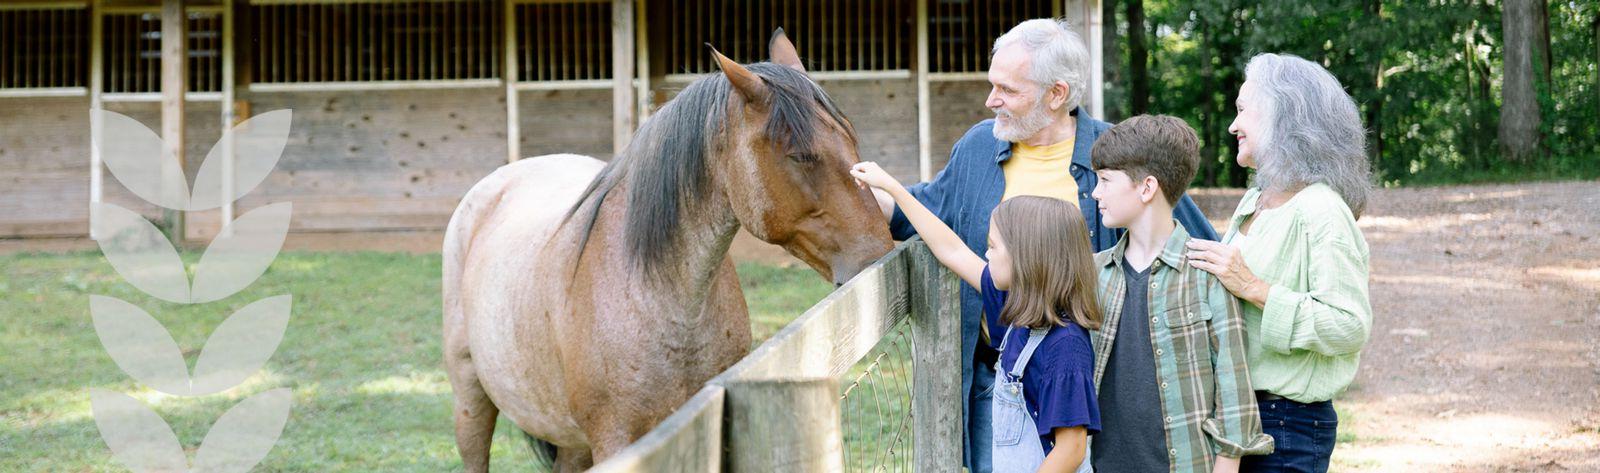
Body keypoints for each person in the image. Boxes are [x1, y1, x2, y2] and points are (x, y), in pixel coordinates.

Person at [867, 18, 1219, 471]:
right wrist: (862, 194)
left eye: (1007, 90)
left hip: (1096, 384)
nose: (991, 100)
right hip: (1003, 378)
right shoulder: (978, 146)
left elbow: (1192, 245)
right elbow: (932, 215)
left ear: (1056, 94)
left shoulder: (1117, 155)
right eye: (993, 85)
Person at [1183, 53, 1374, 473]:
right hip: (1240, 415)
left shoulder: (1322, 211)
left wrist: (1255, 288)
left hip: (1288, 426)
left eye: (1242, 110)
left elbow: (1349, 325)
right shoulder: (1256, 200)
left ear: (1281, 116)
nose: (1233, 125)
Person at [853, 161, 1101, 473]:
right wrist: (893, 188)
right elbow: (951, 250)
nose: (986, 255)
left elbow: (1071, 449)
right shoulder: (1016, 308)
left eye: (993, 247)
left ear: (1027, 260)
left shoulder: (1065, 348)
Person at [1086, 115, 1274, 473]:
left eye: (1105, 180)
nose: (1096, 192)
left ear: (1146, 188)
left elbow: (1233, 388)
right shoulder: (1094, 273)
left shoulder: (1208, 273)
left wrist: (1227, 464)